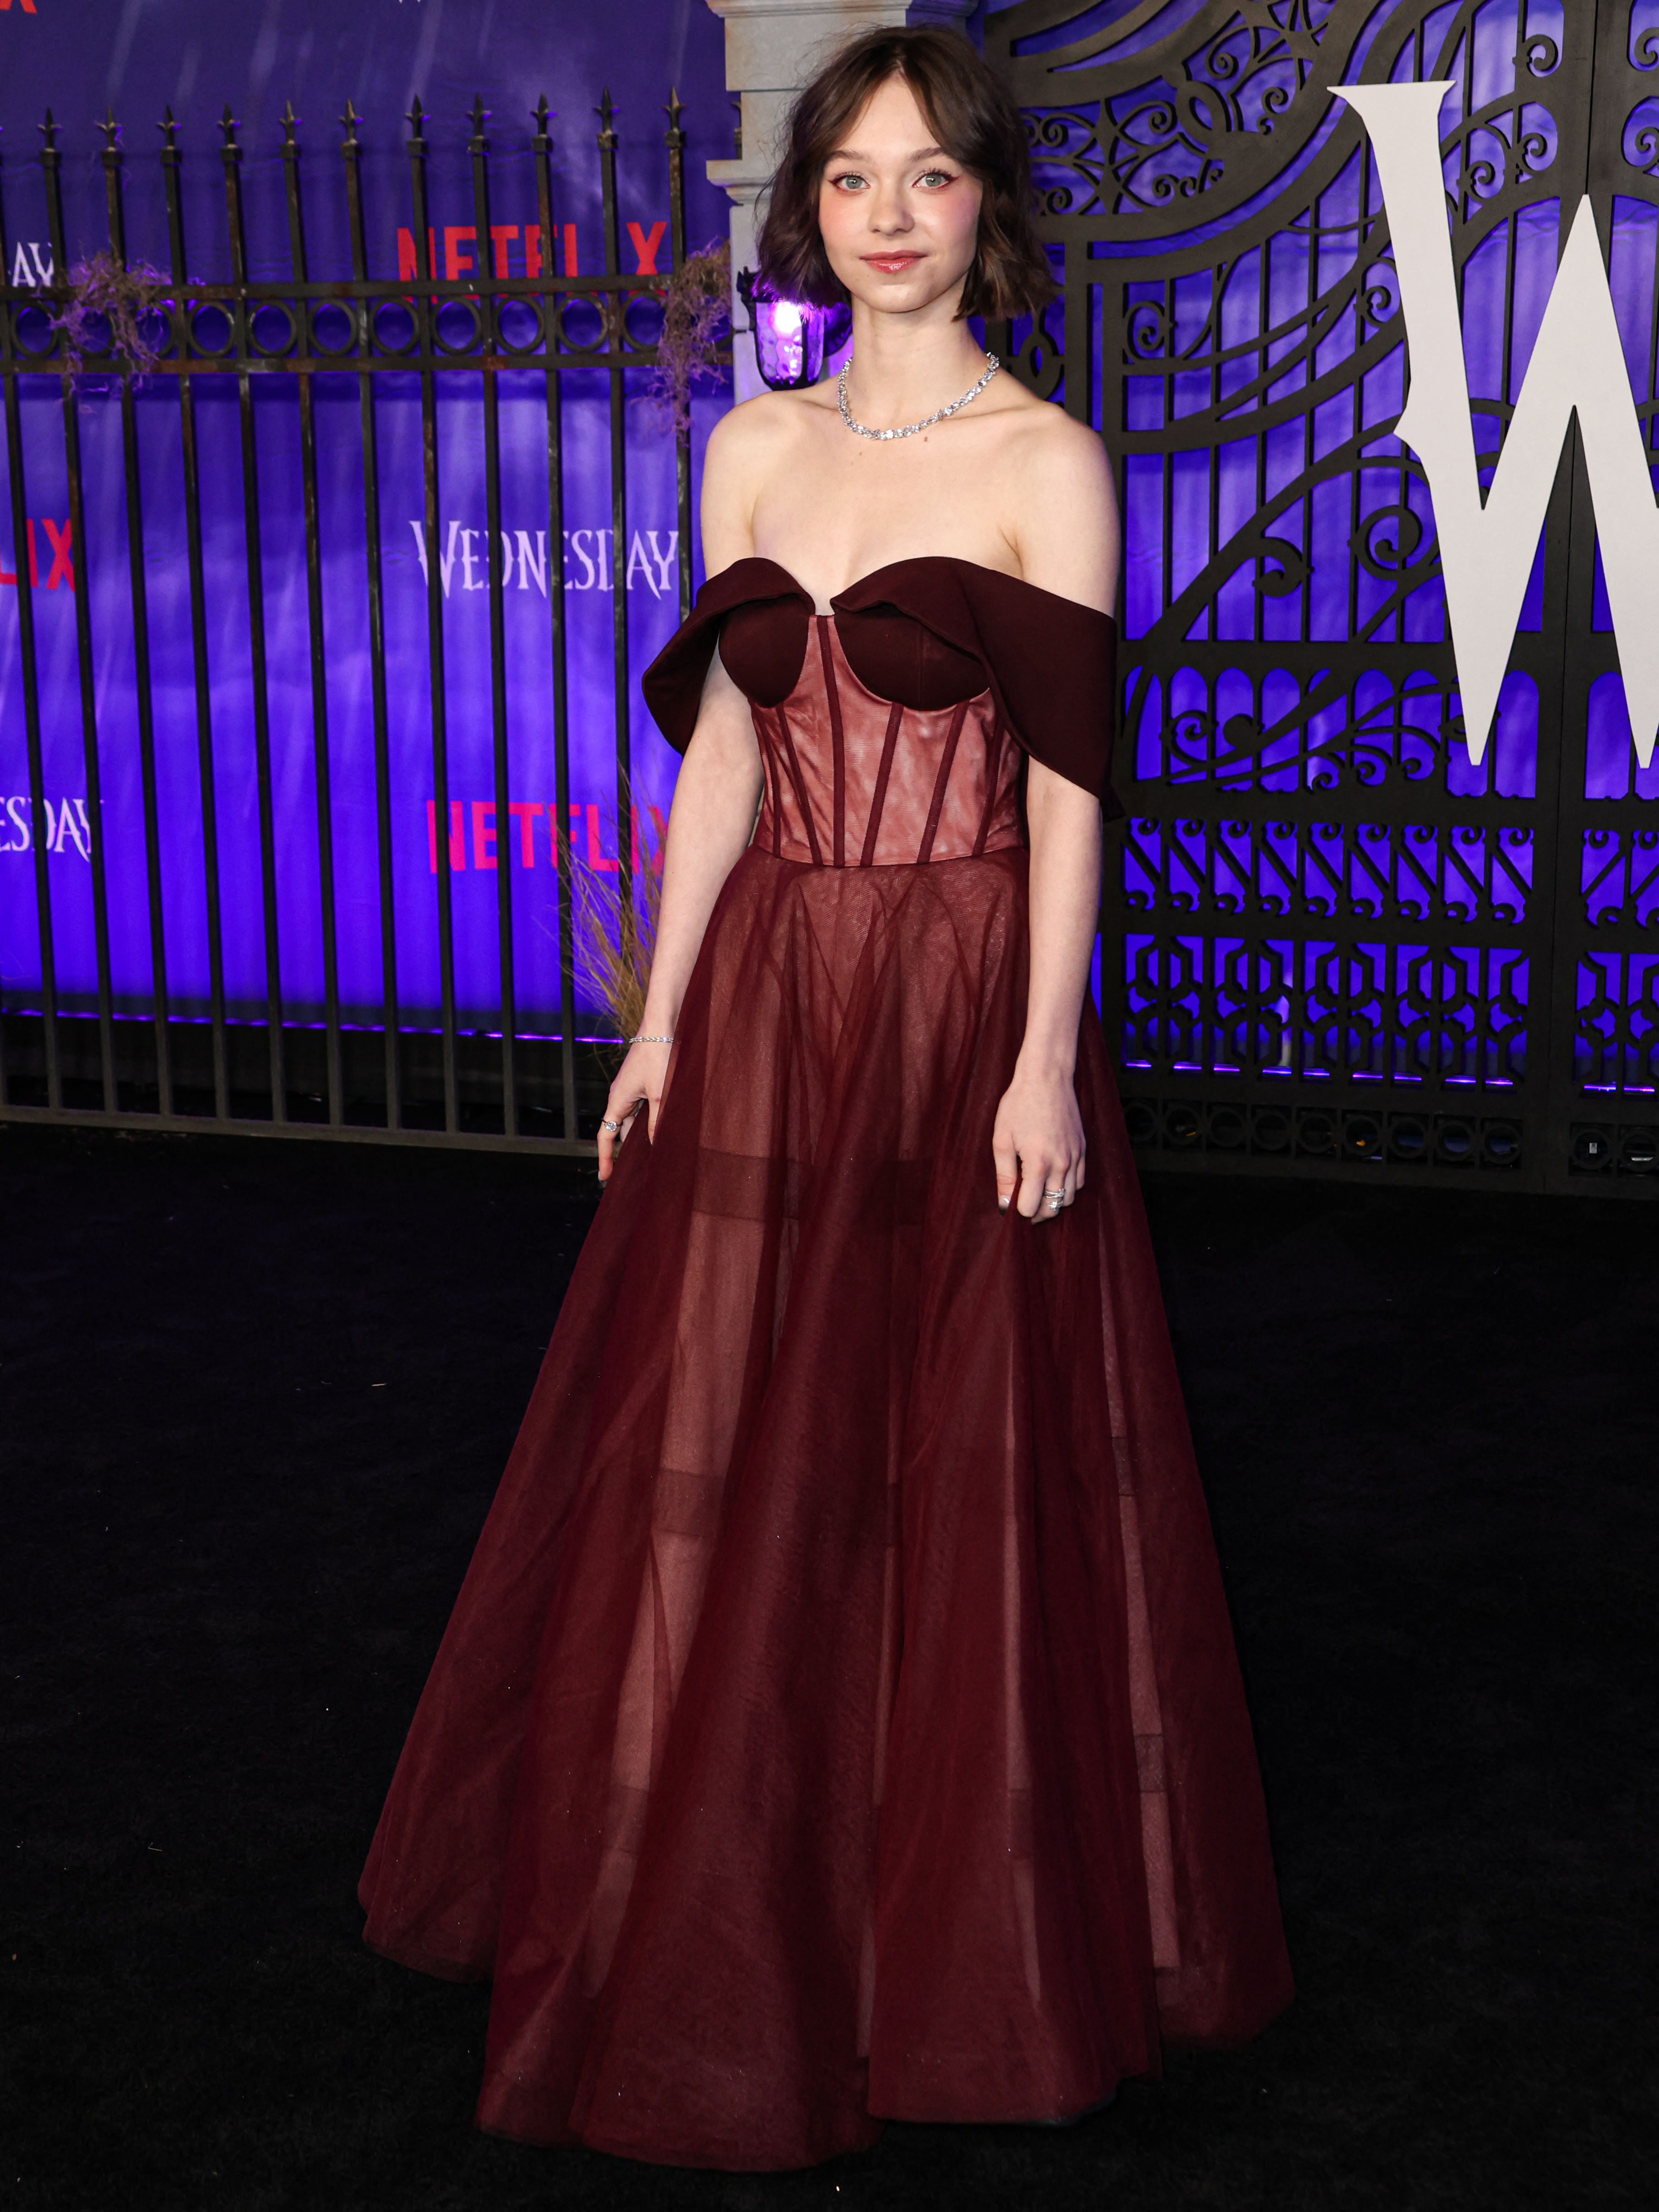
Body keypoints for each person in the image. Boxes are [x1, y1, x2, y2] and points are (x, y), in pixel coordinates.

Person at [359, 24, 1292, 2171]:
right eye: (853, 176)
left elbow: (1067, 795)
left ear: (985, 204)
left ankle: (926, 1919)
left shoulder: (1050, 463)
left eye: (928, 175)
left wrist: (1044, 1057)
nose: (888, 213)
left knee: (946, 1443)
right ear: (809, 209)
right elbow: (725, 759)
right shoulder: (752, 447)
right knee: (717, 1422)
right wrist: (661, 1018)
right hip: (776, 986)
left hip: (962, 996)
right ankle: (698, 1872)